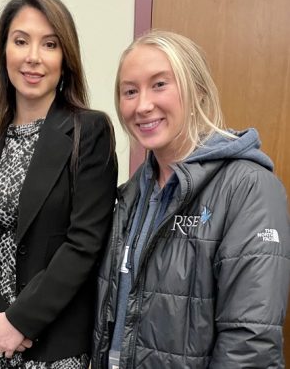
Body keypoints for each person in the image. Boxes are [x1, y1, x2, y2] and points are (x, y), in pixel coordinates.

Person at [92, 30, 290, 368]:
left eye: (159, 85)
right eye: (130, 91)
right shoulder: (132, 195)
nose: (142, 105)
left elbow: (249, 344)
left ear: (197, 91)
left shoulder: (249, 188)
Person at [0, 0, 118, 368]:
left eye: (49, 44)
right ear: (4, 53)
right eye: (21, 41)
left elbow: (85, 243)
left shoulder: (89, 131)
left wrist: (20, 320)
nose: (33, 57)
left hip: (54, 346)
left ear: (65, 60)